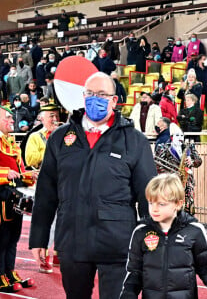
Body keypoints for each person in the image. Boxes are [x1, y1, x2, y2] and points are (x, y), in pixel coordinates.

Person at [29, 71, 157, 299]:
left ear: (114, 100)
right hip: (72, 241)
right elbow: (46, 192)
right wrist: (39, 237)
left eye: (101, 94)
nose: (94, 99)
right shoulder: (60, 138)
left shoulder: (134, 140)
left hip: (118, 243)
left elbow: (149, 197)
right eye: (89, 93)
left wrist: (151, 242)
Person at [120, 173, 207, 299]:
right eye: (151, 203)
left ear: (178, 204)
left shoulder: (194, 231)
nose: (154, 209)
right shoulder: (141, 232)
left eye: (161, 204)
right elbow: (134, 273)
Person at [0, 105, 37, 293]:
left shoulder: (11, 142)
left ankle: (10, 272)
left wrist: (30, 175)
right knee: (2, 238)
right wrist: (7, 173)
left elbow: (20, 171)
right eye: (8, 118)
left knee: (13, 237)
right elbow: (9, 172)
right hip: (1, 196)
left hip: (13, 196)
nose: (12, 121)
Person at [25, 104, 61, 273]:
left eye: (56, 116)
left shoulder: (64, 136)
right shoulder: (35, 137)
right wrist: (52, 150)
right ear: (41, 118)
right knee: (47, 220)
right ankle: (44, 255)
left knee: (65, 218)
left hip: (63, 181)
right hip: (45, 182)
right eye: (51, 116)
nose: (54, 119)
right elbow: (30, 159)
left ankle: (59, 253)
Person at [155, 128, 202, 215]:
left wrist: (192, 161)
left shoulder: (188, 147)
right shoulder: (164, 147)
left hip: (187, 182)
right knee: (172, 206)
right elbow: (158, 165)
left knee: (188, 207)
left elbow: (199, 161)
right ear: (172, 137)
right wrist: (171, 175)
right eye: (177, 135)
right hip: (171, 183)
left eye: (181, 135)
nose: (180, 138)